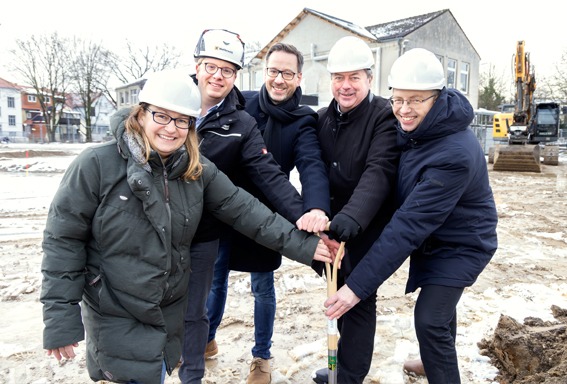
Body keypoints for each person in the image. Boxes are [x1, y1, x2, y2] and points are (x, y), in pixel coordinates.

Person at [40, 70, 334, 384]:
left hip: (168, 311)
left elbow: (249, 213)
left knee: (159, 372)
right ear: (141, 113)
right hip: (114, 310)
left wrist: (305, 245)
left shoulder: (195, 170)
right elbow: (62, 240)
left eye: (182, 120)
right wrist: (60, 317)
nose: (171, 128)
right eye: (162, 116)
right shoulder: (96, 164)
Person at [322, 48, 498, 384]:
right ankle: (434, 360)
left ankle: (441, 370)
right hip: (434, 238)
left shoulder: (454, 153)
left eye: (415, 100)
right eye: (398, 99)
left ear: (437, 97)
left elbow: (408, 226)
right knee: (439, 317)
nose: (404, 109)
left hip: (461, 244)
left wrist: (355, 288)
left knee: (430, 318)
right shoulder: (417, 129)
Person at [179, 30, 330, 384]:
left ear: (299, 78)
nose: (279, 79)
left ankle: (261, 357)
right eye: (273, 71)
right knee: (213, 283)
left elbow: (308, 166)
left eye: (288, 73)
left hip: (267, 214)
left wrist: (312, 210)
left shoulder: (303, 120)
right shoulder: (239, 102)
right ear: (263, 72)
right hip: (221, 212)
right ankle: (207, 339)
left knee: (262, 287)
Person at [310, 36, 401, 383]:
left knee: (359, 301)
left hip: (364, 227)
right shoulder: (322, 118)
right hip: (332, 229)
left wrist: (349, 219)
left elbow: (379, 170)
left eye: (354, 78)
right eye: (338, 78)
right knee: (337, 295)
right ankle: (339, 365)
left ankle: (348, 377)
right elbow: (314, 169)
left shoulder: (383, 116)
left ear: (369, 79)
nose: (345, 86)